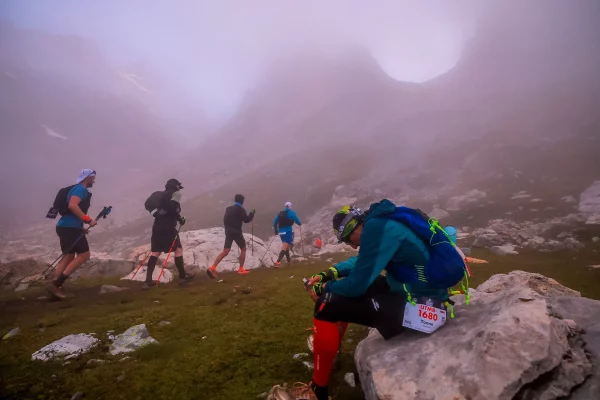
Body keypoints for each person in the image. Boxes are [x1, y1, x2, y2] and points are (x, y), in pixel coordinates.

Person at [299, 199, 467, 400]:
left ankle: (318, 392)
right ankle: (329, 353)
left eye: (348, 239)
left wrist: (325, 287)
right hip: (417, 296)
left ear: (355, 227)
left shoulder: (376, 228)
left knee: (326, 303)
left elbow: (356, 285)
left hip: (421, 310)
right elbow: (363, 262)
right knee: (341, 292)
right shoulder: (382, 222)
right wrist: (330, 273)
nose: (351, 245)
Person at [48, 169, 98, 299]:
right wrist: (87, 220)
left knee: (68, 257)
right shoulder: (81, 189)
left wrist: (80, 227)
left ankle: (55, 287)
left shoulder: (75, 188)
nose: (94, 181)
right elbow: (72, 205)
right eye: (93, 178)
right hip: (69, 228)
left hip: (65, 226)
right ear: (88, 178)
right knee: (84, 254)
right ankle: (57, 283)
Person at [143, 178, 195, 289]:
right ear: (176, 187)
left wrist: (173, 216)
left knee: (155, 252)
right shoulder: (175, 195)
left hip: (157, 227)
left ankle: (147, 281)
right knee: (178, 249)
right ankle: (182, 277)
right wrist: (180, 219)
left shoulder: (160, 196)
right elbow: (173, 209)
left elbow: (167, 210)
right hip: (169, 228)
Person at [207, 194, 255, 278]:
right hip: (237, 232)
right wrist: (252, 213)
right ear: (242, 201)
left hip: (228, 232)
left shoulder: (228, 209)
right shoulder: (241, 209)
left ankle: (212, 267)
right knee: (243, 249)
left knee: (225, 251)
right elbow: (246, 220)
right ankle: (241, 269)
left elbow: (225, 220)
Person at [273, 201, 302, 267]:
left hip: (281, 233)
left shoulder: (280, 213)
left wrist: (276, 230)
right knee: (284, 247)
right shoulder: (291, 212)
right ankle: (277, 263)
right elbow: (296, 219)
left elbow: (275, 222)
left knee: (287, 248)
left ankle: (289, 262)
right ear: (290, 206)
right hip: (288, 232)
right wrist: (299, 223)